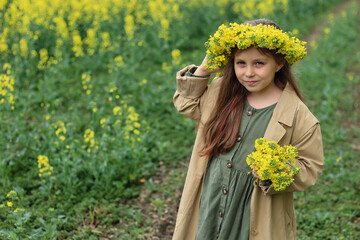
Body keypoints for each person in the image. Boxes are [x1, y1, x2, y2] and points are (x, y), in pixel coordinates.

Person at [172, 19, 324, 240]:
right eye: (240, 63)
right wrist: (204, 70)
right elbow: (186, 104)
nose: (249, 73)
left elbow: (310, 167)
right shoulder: (220, 91)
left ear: (279, 63)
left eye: (259, 63)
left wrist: (275, 170)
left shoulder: (298, 115)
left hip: (254, 208)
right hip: (210, 196)